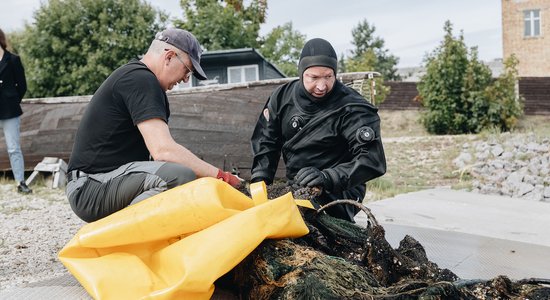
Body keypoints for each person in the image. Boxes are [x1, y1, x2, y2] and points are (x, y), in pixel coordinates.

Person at [66, 28, 241, 223]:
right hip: (91, 188)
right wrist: (222, 177)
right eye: (188, 70)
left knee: (180, 176)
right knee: (178, 176)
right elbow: (163, 151)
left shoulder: (137, 78)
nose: (185, 79)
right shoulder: (141, 79)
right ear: (169, 57)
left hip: (100, 184)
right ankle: (119, 239)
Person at [250, 38, 386, 222]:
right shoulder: (281, 98)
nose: (322, 86)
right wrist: (260, 182)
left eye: (328, 77)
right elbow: (266, 143)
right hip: (297, 185)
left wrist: (327, 177)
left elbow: (372, 160)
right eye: (314, 78)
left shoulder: (353, 107)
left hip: (340, 189)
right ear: (301, 74)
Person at [0, 28, 32, 194]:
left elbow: (22, 85)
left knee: (13, 148)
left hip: (9, 110)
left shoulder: (12, 59)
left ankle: (20, 182)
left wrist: (12, 100)